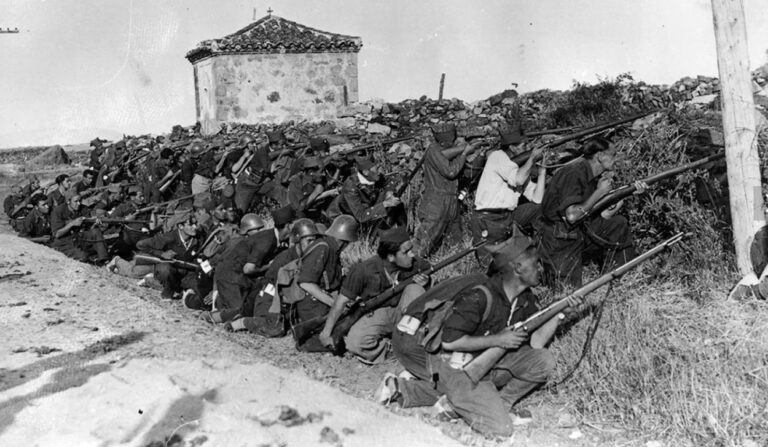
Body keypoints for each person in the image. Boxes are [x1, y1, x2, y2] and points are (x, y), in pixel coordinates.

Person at [382, 234, 580, 438]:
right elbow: (450, 341)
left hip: (483, 364)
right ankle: (424, 393)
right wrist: (498, 340)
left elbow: (537, 343)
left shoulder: (526, 299)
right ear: (518, 267)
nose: (541, 268)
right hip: (454, 363)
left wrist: (559, 313)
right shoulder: (479, 295)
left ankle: (495, 403)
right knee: (500, 429)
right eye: (536, 263)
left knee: (543, 361)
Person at [538, 137, 643, 287]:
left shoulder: (591, 174)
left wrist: (628, 193)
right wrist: (599, 192)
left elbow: (602, 214)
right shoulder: (574, 173)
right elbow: (572, 216)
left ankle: (616, 279)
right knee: (568, 292)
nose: (616, 159)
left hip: (576, 231)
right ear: (600, 156)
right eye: (613, 154)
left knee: (617, 224)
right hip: (558, 237)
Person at [318, 226, 430, 364]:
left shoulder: (417, 264)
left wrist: (426, 282)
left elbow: (430, 286)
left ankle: (413, 344)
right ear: (390, 256)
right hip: (377, 312)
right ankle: (392, 350)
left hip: (406, 312)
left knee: (415, 289)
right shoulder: (363, 271)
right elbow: (340, 302)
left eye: (411, 249)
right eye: (405, 252)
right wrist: (326, 332)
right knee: (355, 343)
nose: (412, 255)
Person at [203, 206, 294, 323]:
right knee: (238, 312)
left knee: (247, 308)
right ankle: (208, 307)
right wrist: (269, 265)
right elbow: (248, 269)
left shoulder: (274, 239)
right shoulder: (267, 240)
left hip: (240, 278)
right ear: (288, 226)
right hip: (231, 277)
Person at [471, 126, 547, 262]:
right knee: (489, 265)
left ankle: (538, 257)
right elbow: (517, 179)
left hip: (507, 217)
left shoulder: (519, 168)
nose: (527, 148)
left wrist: (542, 173)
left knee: (538, 209)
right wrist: (532, 159)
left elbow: (537, 199)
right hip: (489, 219)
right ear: (512, 147)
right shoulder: (497, 156)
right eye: (524, 146)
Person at [415, 123, 480, 257]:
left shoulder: (449, 152)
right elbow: (450, 172)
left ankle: (456, 269)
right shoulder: (433, 150)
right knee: (423, 243)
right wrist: (464, 153)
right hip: (436, 201)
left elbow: (466, 172)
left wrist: (480, 155)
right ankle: (410, 271)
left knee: (456, 243)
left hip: (452, 201)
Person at [292, 215, 358, 329]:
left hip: (321, 300)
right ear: (344, 241)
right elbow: (305, 283)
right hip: (312, 304)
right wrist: (334, 304)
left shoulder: (332, 250)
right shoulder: (323, 248)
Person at [135, 213, 201, 299]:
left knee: (198, 288)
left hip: (186, 271)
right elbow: (140, 244)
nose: (195, 227)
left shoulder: (198, 238)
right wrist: (161, 254)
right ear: (180, 226)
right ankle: (151, 281)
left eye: (195, 224)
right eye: (190, 224)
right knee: (166, 271)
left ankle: (157, 282)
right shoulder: (168, 237)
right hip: (169, 270)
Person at [326, 157, 401, 227]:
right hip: (340, 219)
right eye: (377, 168)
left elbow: (388, 181)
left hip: (360, 212)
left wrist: (390, 190)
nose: (380, 171)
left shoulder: (373, 176)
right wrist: (385, 204)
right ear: (365, 172)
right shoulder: (351, 187)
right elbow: (361, 216)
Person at [50, 194, 109, 263]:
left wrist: (94, 223)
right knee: (83, 257)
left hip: (78, 238)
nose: (79, 203)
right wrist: (72, 224)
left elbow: (89, 228)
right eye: (76, 201)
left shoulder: (83, 208)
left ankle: (104, 259)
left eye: (80, 200)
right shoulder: (58, 211)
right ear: (68, 201)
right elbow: (57, 234)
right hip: (64, 242)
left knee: (96, 231)